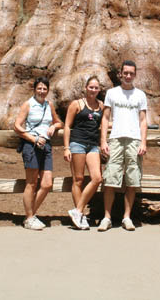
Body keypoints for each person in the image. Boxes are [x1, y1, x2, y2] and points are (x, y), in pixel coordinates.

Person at [98, 60, 148, 231]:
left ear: (135, 75)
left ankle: (127, 217)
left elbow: (143, 120)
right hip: (116, 139)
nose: (128, 76)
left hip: (134, 140)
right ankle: (107, 217)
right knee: (111, 179)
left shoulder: (140, 95)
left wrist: (143, 142)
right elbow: (105, 118)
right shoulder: (112, 93)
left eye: (131, 73)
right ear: (120, 74)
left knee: (132, 180)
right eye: (125, 73)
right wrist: (104, 140)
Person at [14, 77, 63, 230]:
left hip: (46, 146)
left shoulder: (49, 105)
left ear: (48, 90)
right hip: (31, 146)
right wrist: (33, 138)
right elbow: (17, 126)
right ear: (34, 89)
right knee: (32, 183)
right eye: (39, 88)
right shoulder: (28, 104)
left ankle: (30, 215)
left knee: (47, 183)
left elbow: (59, 122)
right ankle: (30, 218)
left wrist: (54, 127)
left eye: (44, 89)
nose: (42, 91)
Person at [64, 76, 104, 230]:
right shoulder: (77, 104)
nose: (93, 90)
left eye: (96, 88)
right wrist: (66, 147)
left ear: (99, 90)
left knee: (97, 178)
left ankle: (78, 211)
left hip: (93, 145)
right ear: (86, 88)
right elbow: (67, 126)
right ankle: (80, 216)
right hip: (77, 143)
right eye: (91, 87)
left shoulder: (101, 105)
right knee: (78, 179)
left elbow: (105, 123)